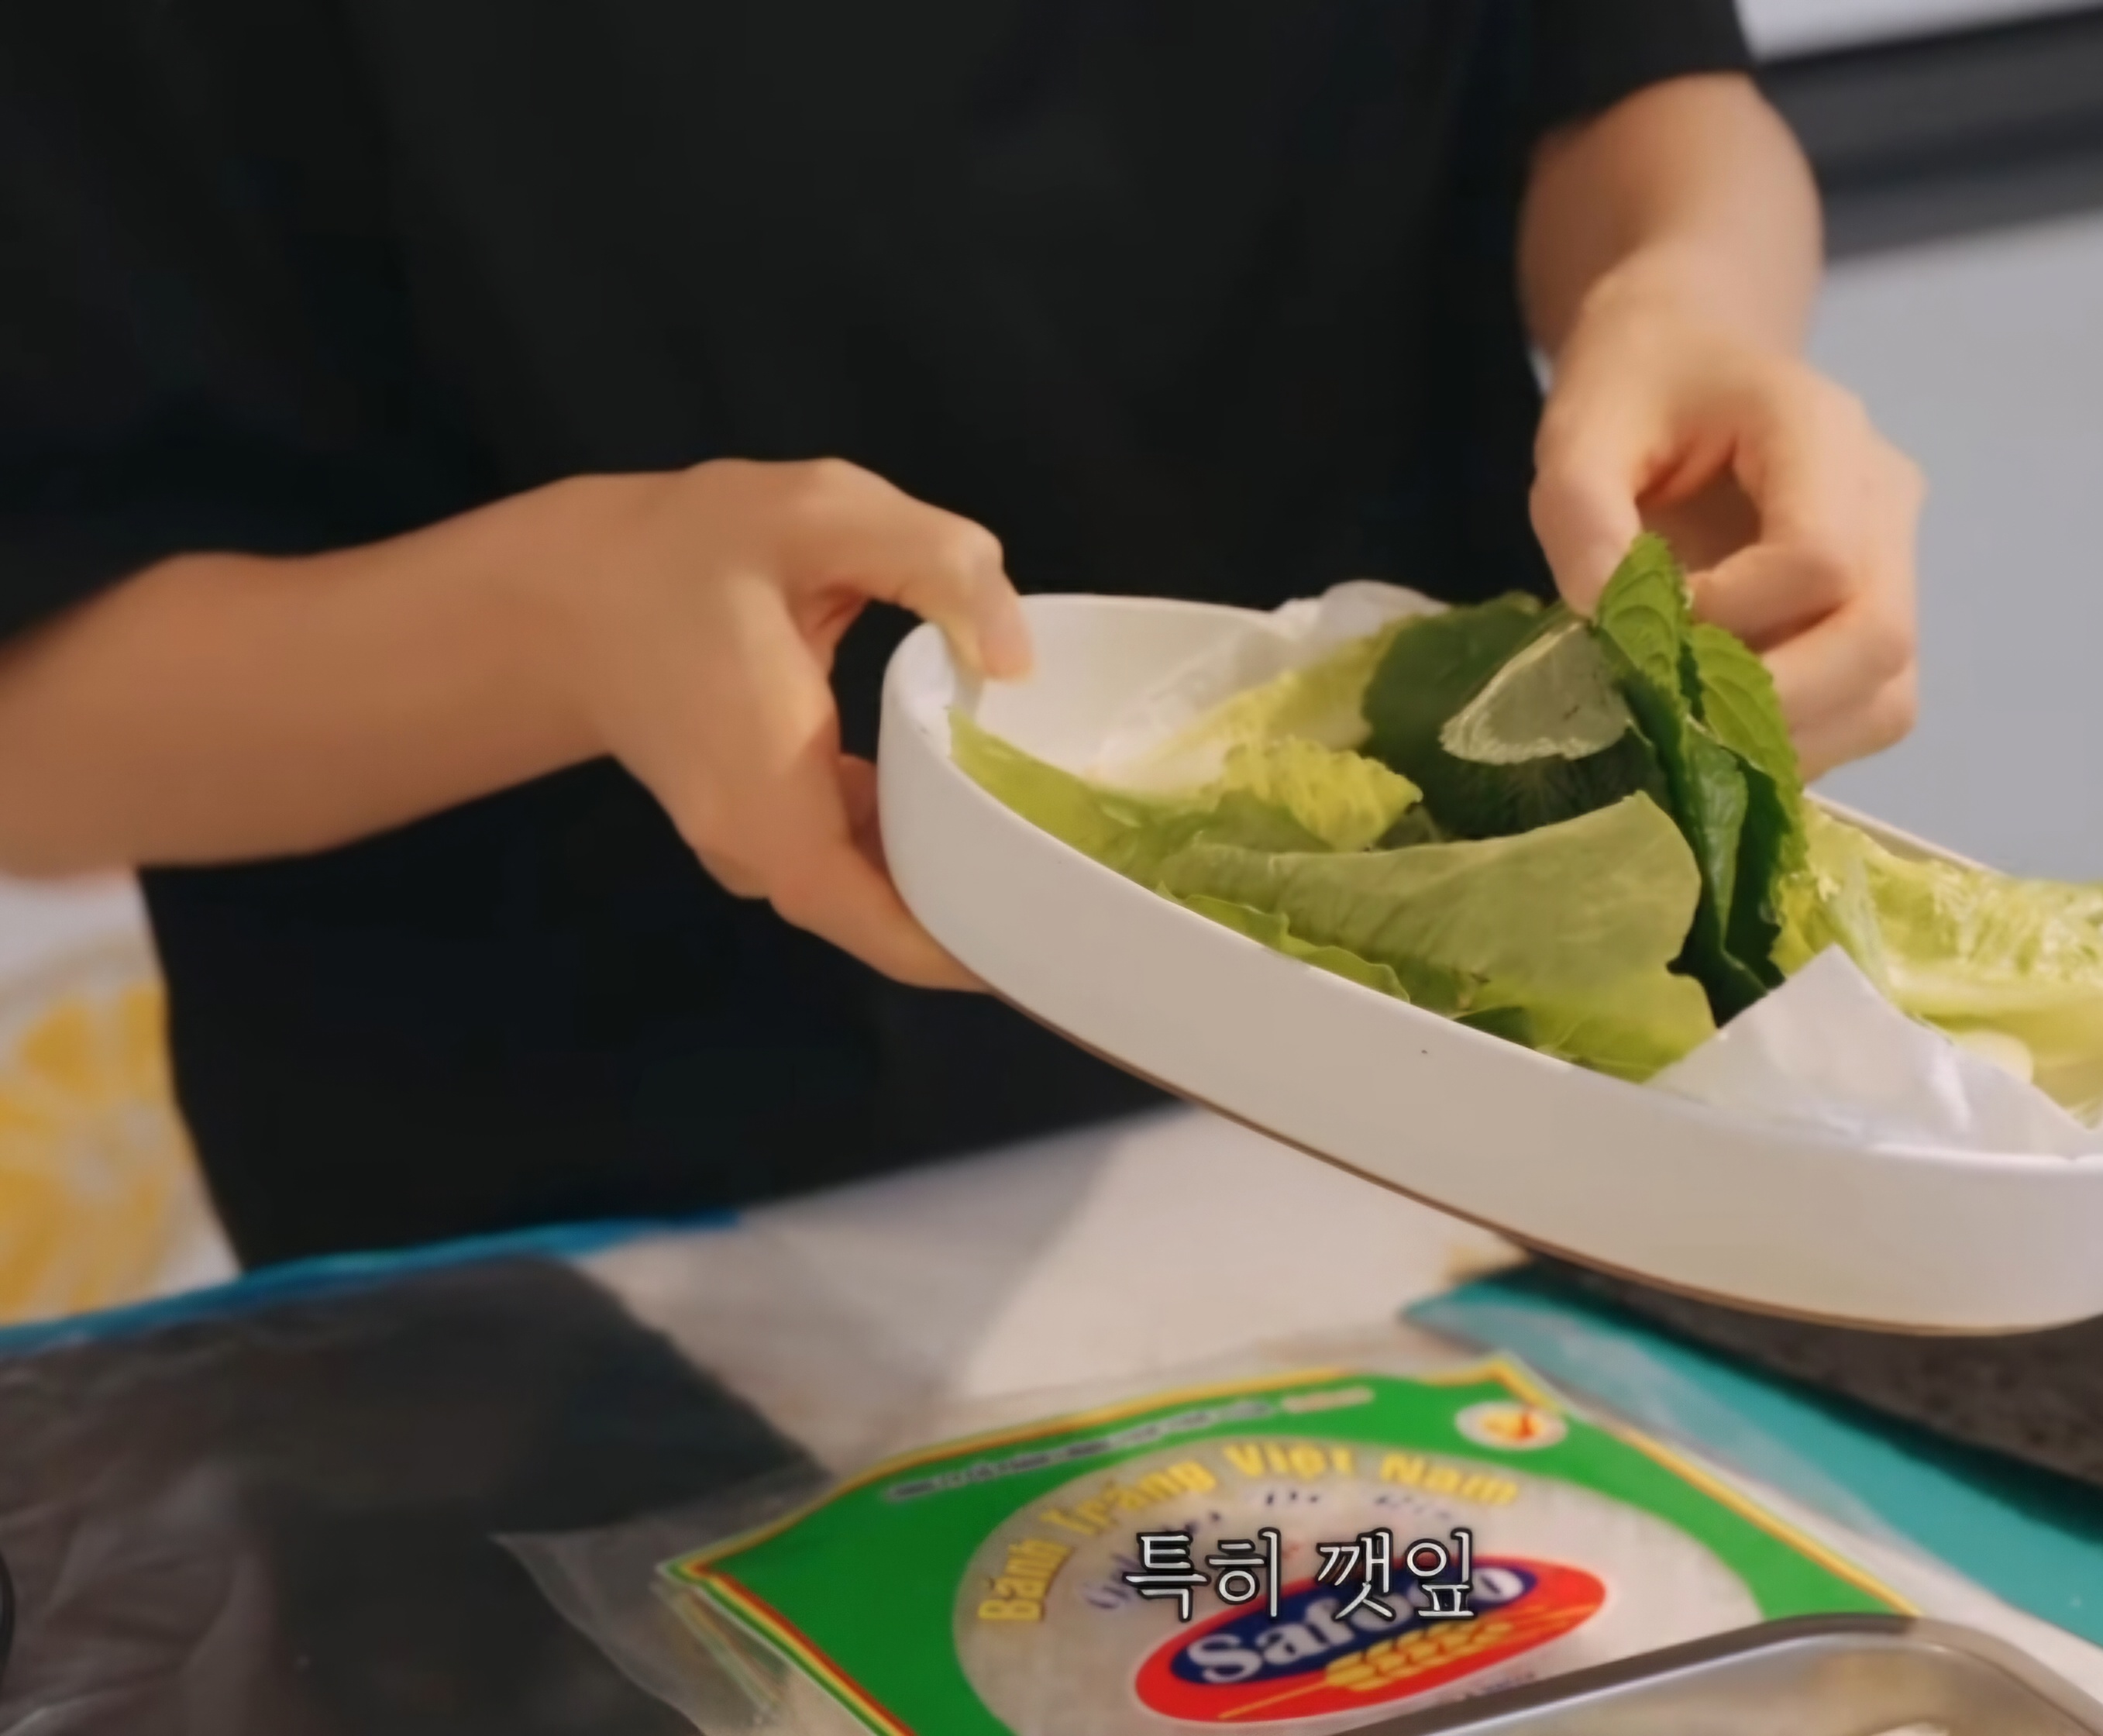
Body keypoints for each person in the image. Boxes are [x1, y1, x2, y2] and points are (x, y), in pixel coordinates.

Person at [0, 2, 1922, 1268]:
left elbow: (1625, 80)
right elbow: (40, 729)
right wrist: (568, 617)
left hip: (1439, 1103)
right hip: (586, 1254)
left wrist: (1682, 302)